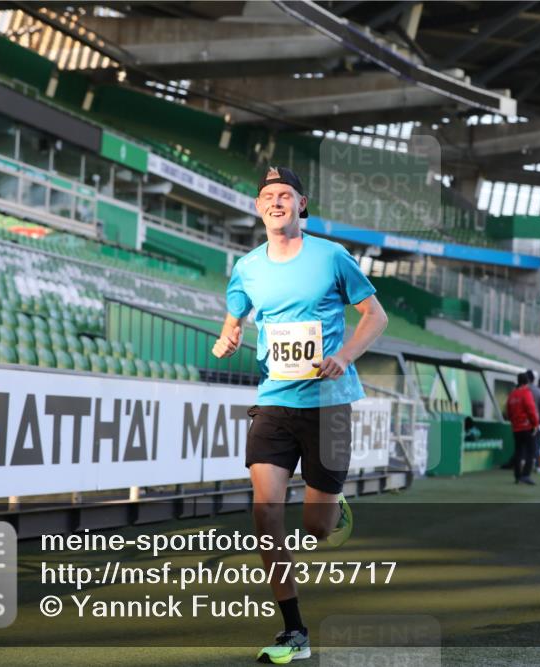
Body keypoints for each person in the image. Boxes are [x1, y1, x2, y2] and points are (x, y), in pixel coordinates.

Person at [212, 166, 388, 664]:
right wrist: (228, 339)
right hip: (273, 401)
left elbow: (376, 316)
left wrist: (345, 357)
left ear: (301, 204)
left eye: (284, 195)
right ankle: (294, 631)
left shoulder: (332, 257)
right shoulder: (246, 266)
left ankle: (333, 508)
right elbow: (234, 320)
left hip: (329, 405)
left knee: (315, 525)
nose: (275, 202)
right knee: (265, 515)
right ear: (257, 206)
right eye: (267, 195)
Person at [507, 372, 539, 485]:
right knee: (531, 451)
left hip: (516, 428)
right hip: (527, 427)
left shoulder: (512, 394)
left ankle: (517, 476)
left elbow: (509, 411)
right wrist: (535, 424)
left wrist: (514, 422)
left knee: (518, 452)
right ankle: (525, 475)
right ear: (527, 382)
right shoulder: (526, 393)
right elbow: (531, 409)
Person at [525, 370, 540, 472]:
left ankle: (521, 464)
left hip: (522, 421)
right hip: (534, 422)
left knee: (521, 445)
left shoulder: (522, 390)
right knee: (535, 445)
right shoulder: (539, 391)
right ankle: (537, 466)